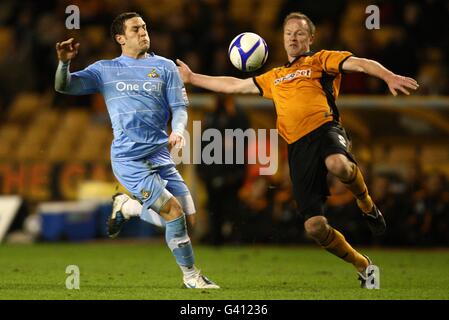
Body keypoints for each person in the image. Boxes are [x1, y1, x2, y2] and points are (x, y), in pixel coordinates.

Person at [176, 11, 419, 288]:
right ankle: (363, 265)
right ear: (282, 39)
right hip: (297, 149)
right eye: (288, 33)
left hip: (325, 130)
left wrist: (388, 77)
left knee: (338, 165)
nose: (293, 37)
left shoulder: (321, 60)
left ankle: (366, 203)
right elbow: (235, 84)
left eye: (299, 33)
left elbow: (361, 64)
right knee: (315, 227)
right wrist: (193, 77)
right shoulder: (275, 76)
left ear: (310, 38)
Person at [54, 12, 219, 289]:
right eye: (135, 30)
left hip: (160, 154)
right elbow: (64, 86)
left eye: (144, 28)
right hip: (129, 158)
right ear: (120, 38)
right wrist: (63, 63)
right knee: (174, 212)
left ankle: (128, 206)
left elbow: (180, 108)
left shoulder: (165, 67)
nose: (143, 33)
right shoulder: (104, 70)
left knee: (188, 217)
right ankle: (191, 276)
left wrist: (177, 131)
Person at [197, 94, 249, 245]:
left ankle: (235, 238)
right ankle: (215, 238)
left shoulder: (237, 116)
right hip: (212, 169)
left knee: (232, 206)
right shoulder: (210, 116)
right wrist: (201, 170)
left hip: (231, 171)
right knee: (214, 207)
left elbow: (244, 135)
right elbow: (204, 144)